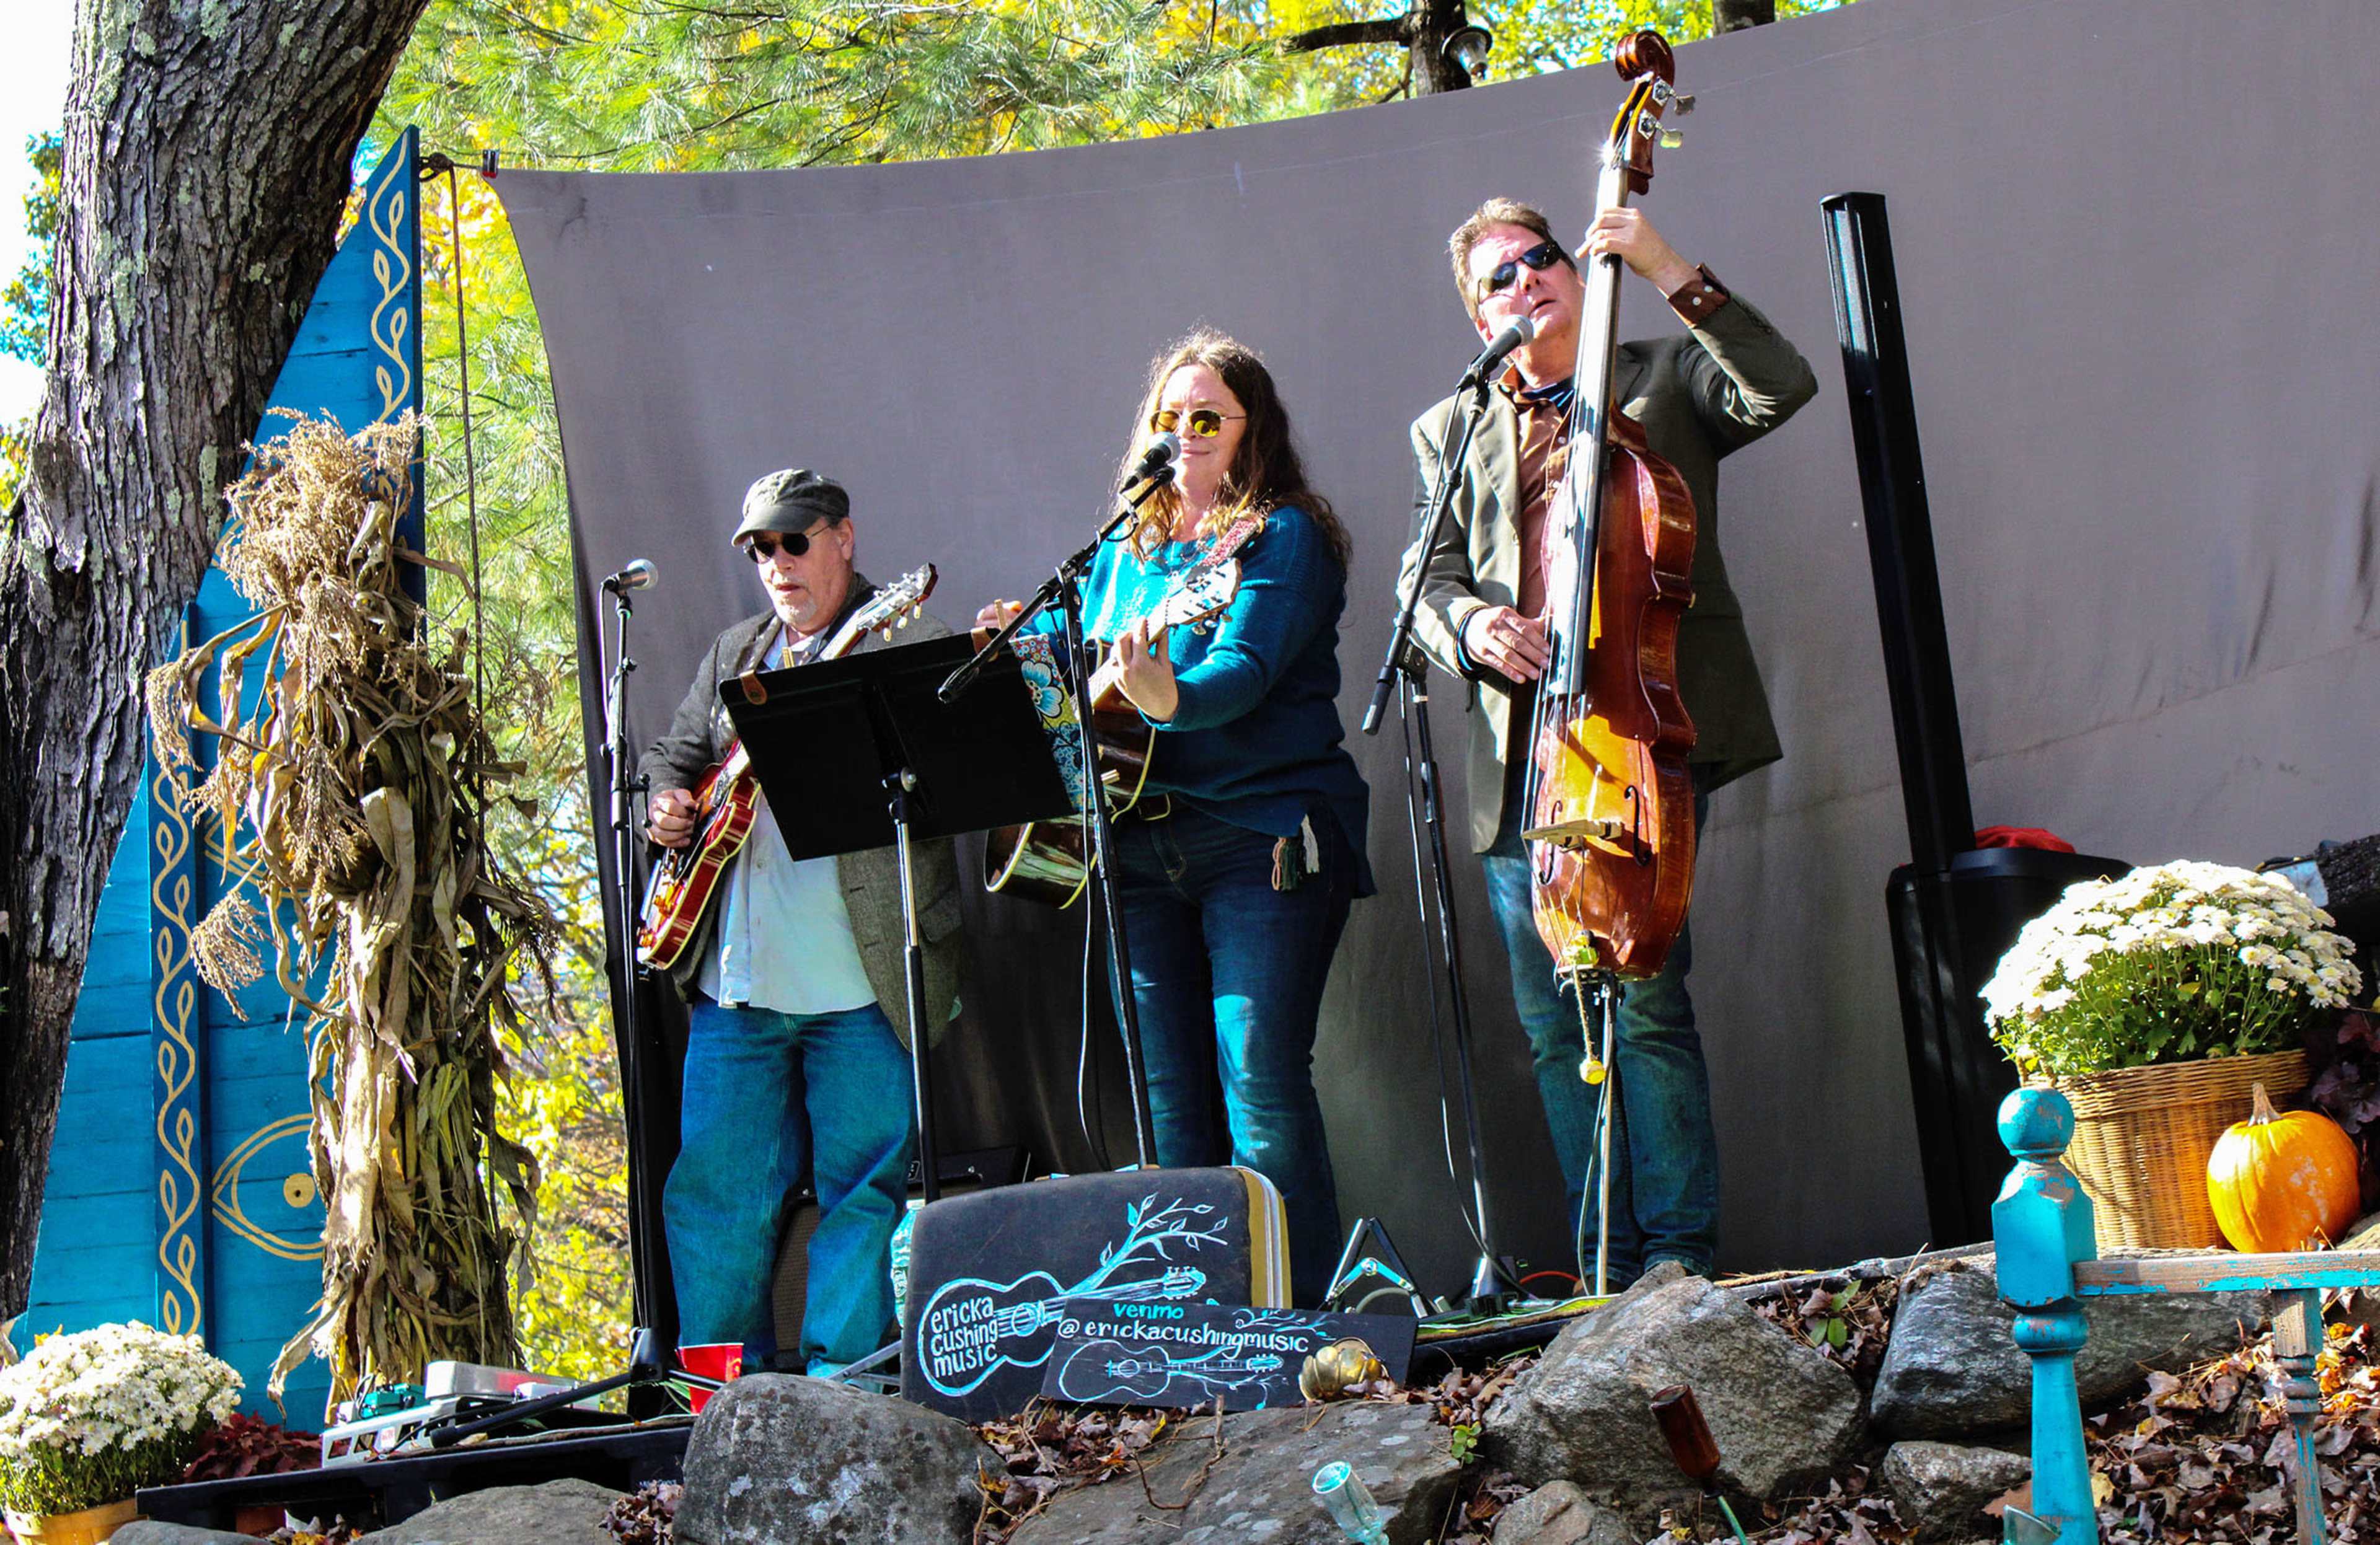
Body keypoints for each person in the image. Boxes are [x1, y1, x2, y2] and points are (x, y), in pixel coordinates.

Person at [1396, 198, 1817, 1287]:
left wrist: (1667, 260)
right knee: (1551, 1026)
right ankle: (1601, 1266)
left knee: (1645, 998)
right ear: (1475, 313)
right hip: (1523, 755)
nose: (1528, 280)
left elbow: (1782, 384)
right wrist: (1470, 624)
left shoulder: (1660, 376)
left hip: (1638, 730)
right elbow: (1422, 580)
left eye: (1543, 258)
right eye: (1501, 275)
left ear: (1578, 272)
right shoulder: (1450, 429)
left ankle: (1676, 1259)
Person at [976, 332, 1372, 1304]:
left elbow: (1242, 674)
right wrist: (1022, 651)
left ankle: (1311, 1330)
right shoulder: (1120, 549)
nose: (1185, 435)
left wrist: (1167, 693)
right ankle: (1202, 1329)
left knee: (1263, 1093)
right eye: (1169, 419)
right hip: (1137, 848)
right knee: (1168, 1114)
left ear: (1251, 431)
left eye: (1207, 419)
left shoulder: (1283, 536)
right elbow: (1077, 677)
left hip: (1259, 835)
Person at [641, 467, 961, 1374]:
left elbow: (955, 784)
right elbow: (675, 754)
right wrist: (666, 801)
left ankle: (841, 1398)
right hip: (735, 986)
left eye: (793, 541)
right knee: (714, 1197)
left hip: (862, 985)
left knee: (862, 1194)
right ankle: (714, 1402)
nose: (776, 563)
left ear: (844, 539)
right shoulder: (735, 651)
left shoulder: (909, 638)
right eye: (760, 549)